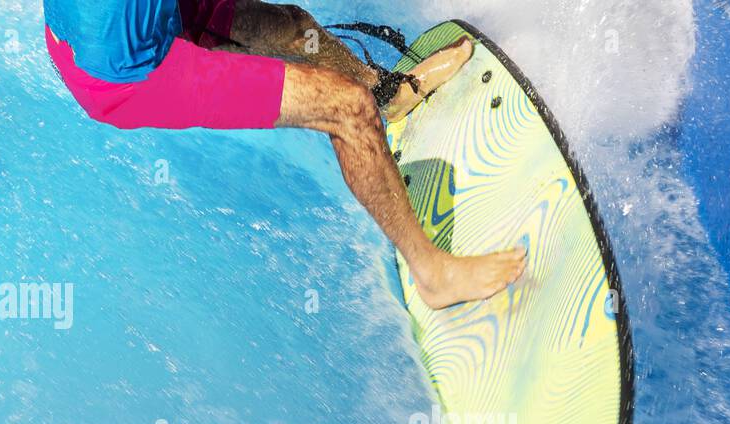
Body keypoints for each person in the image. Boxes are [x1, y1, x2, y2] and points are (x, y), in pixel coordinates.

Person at [43, 0, 527, 308]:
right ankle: (433, 273)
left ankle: (388, 97)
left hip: (135, 18)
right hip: (126, 70)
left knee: (295, 28)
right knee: (346, 108)